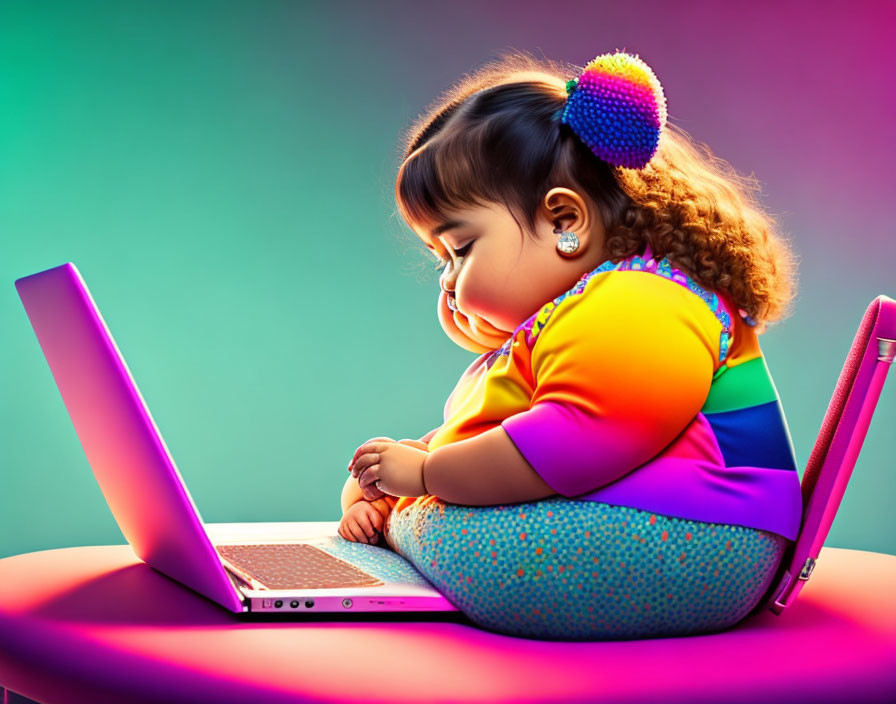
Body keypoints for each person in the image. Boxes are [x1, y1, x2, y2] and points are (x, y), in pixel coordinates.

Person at [338, 49, 801, 640]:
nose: (448, 281)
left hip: (688, 541)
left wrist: (425, 477)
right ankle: (395, 524)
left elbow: (570, 444)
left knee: (443, 517)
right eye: (438, 263)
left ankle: (399, 533)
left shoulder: (640, 302)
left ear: (564, 222)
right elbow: (509, 427)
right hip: (655, 530)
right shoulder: (577, 315)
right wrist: (404, 470)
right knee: (421, 487)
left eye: (460, 250)